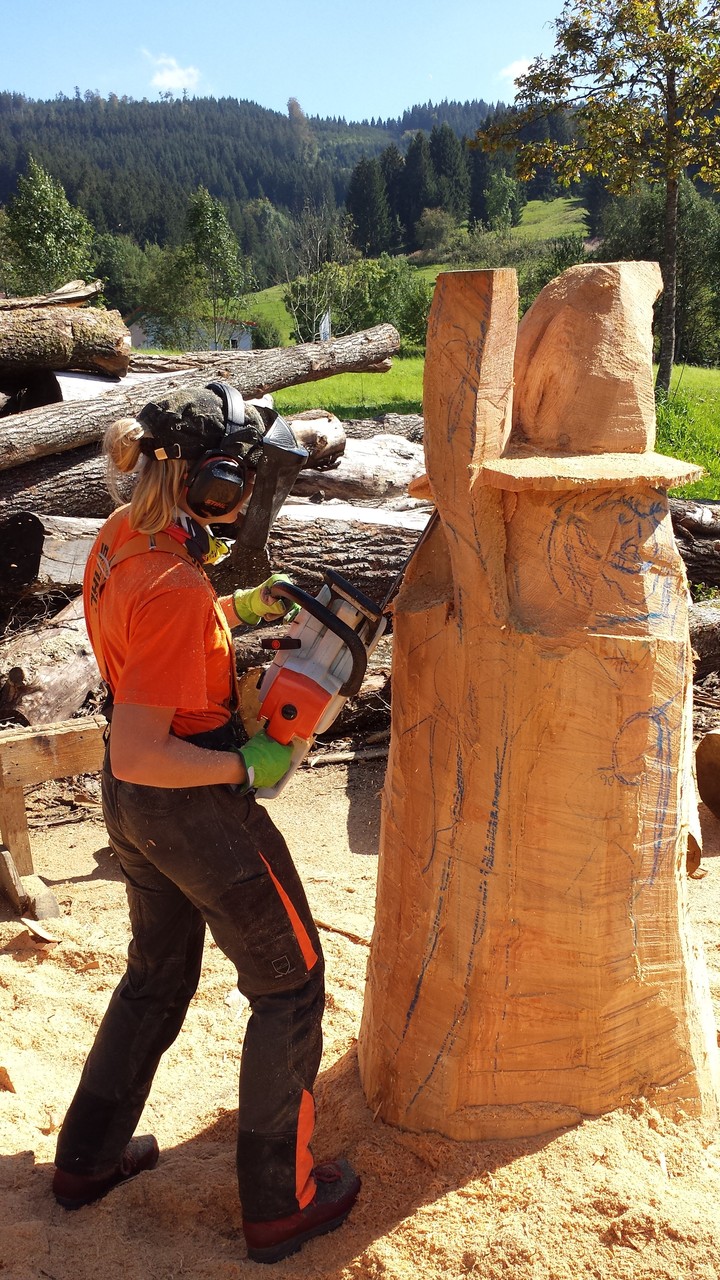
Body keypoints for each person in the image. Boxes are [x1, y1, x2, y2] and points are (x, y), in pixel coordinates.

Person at [51, 384, 360, 1265]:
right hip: (182, 799)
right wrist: (244, 764)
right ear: (212, 482)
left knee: (155, 978)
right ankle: (280, 1201)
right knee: (292, 980)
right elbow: (145, 745)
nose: (244, 495)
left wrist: (240, 610)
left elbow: (157, 648)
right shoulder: (174, 582)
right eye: (241, 481)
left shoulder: (123, 541)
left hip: (134, 812)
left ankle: (86, 1161)